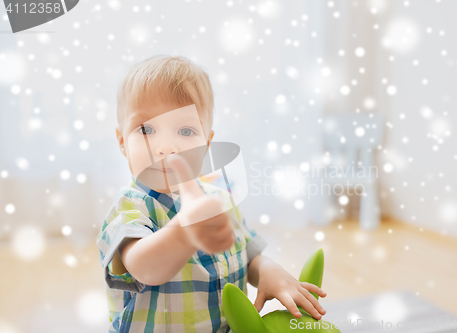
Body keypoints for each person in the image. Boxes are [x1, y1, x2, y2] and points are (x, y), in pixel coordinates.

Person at [96, 55, 327, 332]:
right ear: (122, 142)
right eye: (146, 129)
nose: (166, 147)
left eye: (185, 130)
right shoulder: (131, 208)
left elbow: (247, 254)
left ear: (206, 144)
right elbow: (143, 267)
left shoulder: (221, 201)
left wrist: (267, 270)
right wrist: (184, 232)